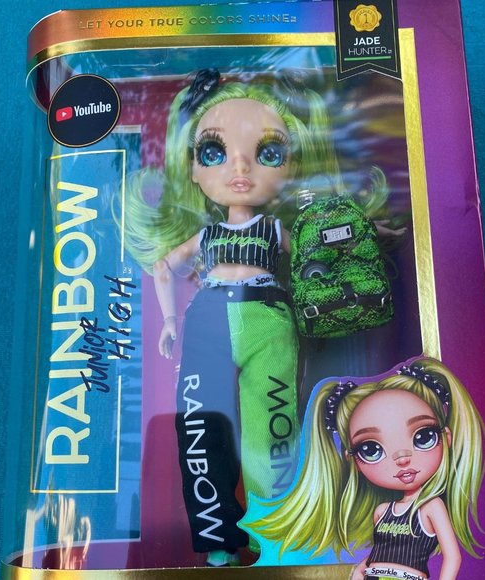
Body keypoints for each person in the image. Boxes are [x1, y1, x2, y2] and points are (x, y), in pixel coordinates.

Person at [122, 68, 346, 566]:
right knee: (200, 433)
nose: (240, 166)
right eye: (213, 152)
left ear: (293, 165)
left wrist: (348, 246)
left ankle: (276, 535)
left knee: (274, 431)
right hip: (208, 319)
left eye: (269, 153)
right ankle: (217, 541)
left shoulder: (277, 229)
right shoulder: (205, 235)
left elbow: (314, 255)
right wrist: (170, 321)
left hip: (269, 319)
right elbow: (163, 267)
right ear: (193, 168)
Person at [248, 358, 485, 579]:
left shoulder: (431, 507)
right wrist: (359, 571)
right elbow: (380, 552)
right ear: (353, 460)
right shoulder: (381, 512)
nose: (402, 458)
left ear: (446, 438)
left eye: (423, 437)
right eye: (371, 449)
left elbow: (453, 557)